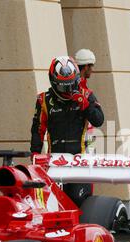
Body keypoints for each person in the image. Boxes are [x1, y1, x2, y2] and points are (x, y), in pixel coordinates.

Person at [30, 56, 104, 206]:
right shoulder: (44, 100)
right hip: (54, 162)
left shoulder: (86, 95)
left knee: (78, 200)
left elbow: (99, 120)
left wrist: (85, 105)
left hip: (80, 161)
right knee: (54, 202)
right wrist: (35, 155)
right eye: (64, 86)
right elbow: (37, 130)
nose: (68, 90)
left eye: (70, 85)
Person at [75, 49, 97, 153]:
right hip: (81, 141)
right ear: (86, 67)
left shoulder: (80, 84)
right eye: (91, 66)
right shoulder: (79, 87)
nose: (92, 69)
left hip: (86, 137)